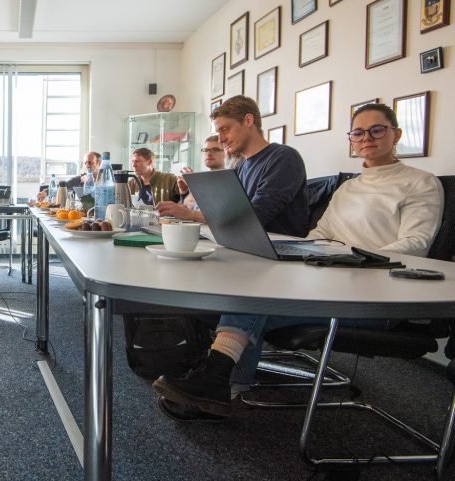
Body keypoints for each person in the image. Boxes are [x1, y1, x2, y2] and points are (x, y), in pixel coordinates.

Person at [152, 103, 444, 422]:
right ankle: (220, 385)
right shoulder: (349, 187)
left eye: (377, 130)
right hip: (333, 278)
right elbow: (321, 232)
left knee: (255, 292)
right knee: (251, 289)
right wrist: (306, 254)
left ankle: (217, 381)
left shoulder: (421, 183)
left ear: (396, 134)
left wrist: (354, 262)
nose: (367, 138)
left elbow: (414, 246)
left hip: (376, 293)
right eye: (358, 132)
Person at [211, 95, 310, 237]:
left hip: (279, 249)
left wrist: (193, 215)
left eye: (225, 129)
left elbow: (255, 217)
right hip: (247, 244)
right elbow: (229, 213)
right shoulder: (240, 166)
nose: (221, 139)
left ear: (248, 121)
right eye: (218, 132)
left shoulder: (284, 158)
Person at [154, 135, 229, 222]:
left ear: (226, 152)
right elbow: (188, 208)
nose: (209, 153)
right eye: (206, 150)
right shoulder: (202, 179)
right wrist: (184, 192)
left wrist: (194, 187)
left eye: (215, 150)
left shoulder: (230, 181)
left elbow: (222, 217)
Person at [36, 151, 101, 201]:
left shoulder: (107, 178)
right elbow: (64, 185)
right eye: (85, 163)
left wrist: (91, 181)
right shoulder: (81, 178)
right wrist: (45, 192)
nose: (87, 165)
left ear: (99, 163)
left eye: (90, 162)